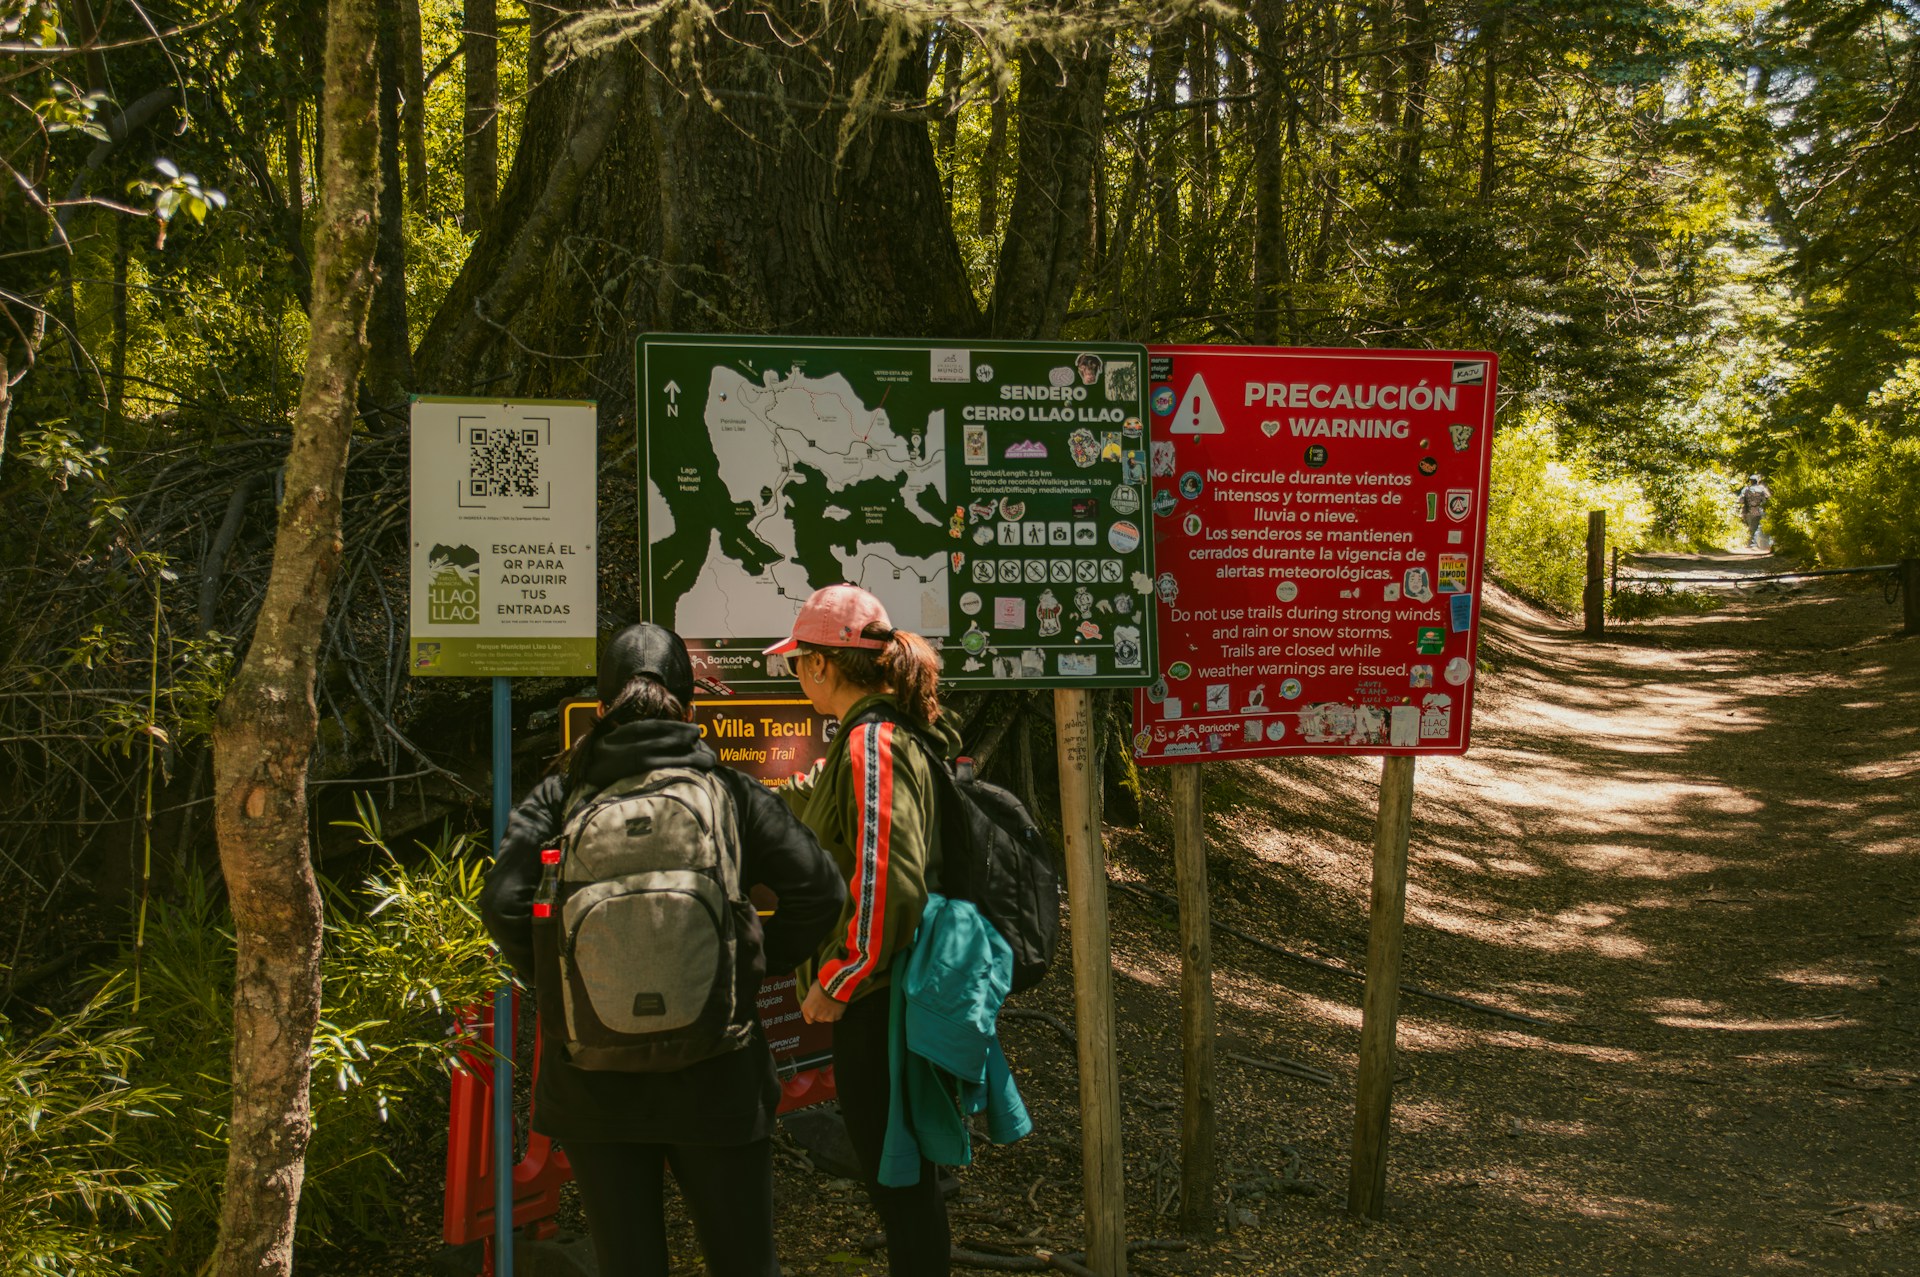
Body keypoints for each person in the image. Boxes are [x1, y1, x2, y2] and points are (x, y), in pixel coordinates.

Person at [480, 623, 846, 1277]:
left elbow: (503, 900)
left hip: (592, 1084)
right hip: (719, 1077)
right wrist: (756, 964)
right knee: (743, 1263)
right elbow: (820, 890)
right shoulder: (732, 795)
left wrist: (568, 980)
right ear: (692, 707)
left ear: (599, 710)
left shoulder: (560, 796)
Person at [767, 585, 961, 1277]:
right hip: (894, 994)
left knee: (899, 1181)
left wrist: (838, 981)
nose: (796, 676)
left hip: (882, 1001)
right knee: (903, 1175)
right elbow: (814, 796)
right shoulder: (878, 733)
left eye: (798, 663)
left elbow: (889, 882)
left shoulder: (871, 743)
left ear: (823, 665)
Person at [1737, 474, 1772, 550]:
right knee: (1757, 527)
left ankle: (1751, 543)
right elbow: (1768, 499)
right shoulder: (1762, 489)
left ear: (1751, 481)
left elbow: (1740, 500)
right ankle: (1753, 544)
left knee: (1751, 527)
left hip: (1748, 511)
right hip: (1759, 510)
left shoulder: (1746, 489)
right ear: (1757, 481)